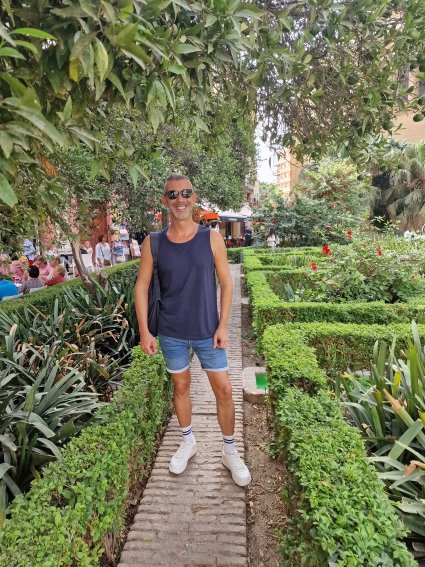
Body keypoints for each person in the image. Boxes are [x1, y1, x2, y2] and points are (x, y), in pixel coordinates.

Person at [135, 173, 251, 487]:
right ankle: (188, 441)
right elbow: (141, 287)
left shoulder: (211, 238)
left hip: (207, 331)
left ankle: (229, 451)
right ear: (165, 201)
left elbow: (227, 283)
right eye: (173, 194)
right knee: (181, 387)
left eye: (185, 193)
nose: (180, 200)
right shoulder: (153, 243)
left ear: (193, 197)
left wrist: (223, 325)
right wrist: (145, 330)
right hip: (171, 331)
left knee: (224, 391)